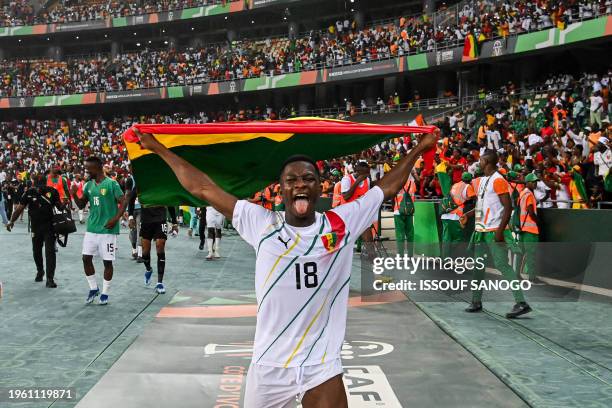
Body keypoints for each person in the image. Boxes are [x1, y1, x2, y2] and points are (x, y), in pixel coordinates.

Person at [133, 127, 437, 408]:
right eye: (292, 180)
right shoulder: (260, 223)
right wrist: (158, 147)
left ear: (320, 187)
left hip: (321, 363)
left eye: (308, 179)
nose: (300, 184)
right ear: (281, 190)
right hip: (270, 366)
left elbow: (384, 189)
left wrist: (419, 147)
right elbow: (202, 188)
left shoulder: (341, 223)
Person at [461, 150, 532, 318]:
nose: (478, 161)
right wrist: (468, 215)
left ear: (486, 161)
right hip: (482, 231)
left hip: (494, 232)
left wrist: (500, 232)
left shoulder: (498, 180)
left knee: (502, 265)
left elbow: (508, 208)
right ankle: (476, 301)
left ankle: (521, 302)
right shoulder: (485, 180)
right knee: (478, 267)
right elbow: (482, 205)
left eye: (481, 159)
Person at [72, 156, 128, 305]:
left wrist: (116, 218)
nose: (86, 171)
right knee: (86, 258)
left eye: (88, 168)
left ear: (97, 168)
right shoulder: (88, 185)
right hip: (92, 229)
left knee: (107, 262)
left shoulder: (111, 184)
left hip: (107, 230)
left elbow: (123, 202)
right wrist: (72, 193)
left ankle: (105, 292)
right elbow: (81, 204)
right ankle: (93, 288)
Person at [6, 174, 63, 288]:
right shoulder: (29, 193)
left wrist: (11, 221)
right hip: (38, 227)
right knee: (40, 251)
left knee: (47, 252)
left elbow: (19, 209)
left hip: (48, 227)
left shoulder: (51, 191)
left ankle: (49, 278)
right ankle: (41, 272)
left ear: (33, 182)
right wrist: (11, 220)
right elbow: (19, 209)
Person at [129, 201, 178, 294]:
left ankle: (160, 283)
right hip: (146, 221)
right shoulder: (142, 185)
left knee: (160, 245)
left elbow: (170, 200)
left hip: (161, 219)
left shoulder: (163, 186)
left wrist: (174, 222)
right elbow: (131, 197)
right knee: (145, 252)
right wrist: (130, 216)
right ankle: (148, 269)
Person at [441, 172, 475, 254]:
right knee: (458, 238)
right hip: (456, 216)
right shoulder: (468, 186)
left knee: (446, 237)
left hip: (445, 214)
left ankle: (445, 257)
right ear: (470, 180)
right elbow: (472, 197)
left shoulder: (455, 185)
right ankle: (450, 254)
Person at [341, 161, 371, 252]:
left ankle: (372, 257)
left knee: (369, 238)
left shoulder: (367, 180)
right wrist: (357, 181)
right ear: (358, 171)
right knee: (346, 241)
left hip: (361, 213)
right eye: (365, 173)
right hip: (348, 214)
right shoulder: (347, 179)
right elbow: (346, 196)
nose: (367, 175)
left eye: (368, 173)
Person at [518, 173, 542, 284]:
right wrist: (538, 222)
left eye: (536, 181)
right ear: (527, 183)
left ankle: (517, 274)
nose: (535, 183)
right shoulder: (529, 195)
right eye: (533, 182)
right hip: (530, 229)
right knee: (531, 254)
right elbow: (531, 212)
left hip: (522, 228)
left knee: (521, 252)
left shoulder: (522, 193)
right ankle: (532, 277)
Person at [393, 172, 416, 256]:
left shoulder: (397, 183)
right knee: (410, 234)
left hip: (398, 210)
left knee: (400, 234)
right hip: (409, 211)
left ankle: (401, 255)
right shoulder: (412, 183)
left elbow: (392, 194)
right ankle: (410, 255)